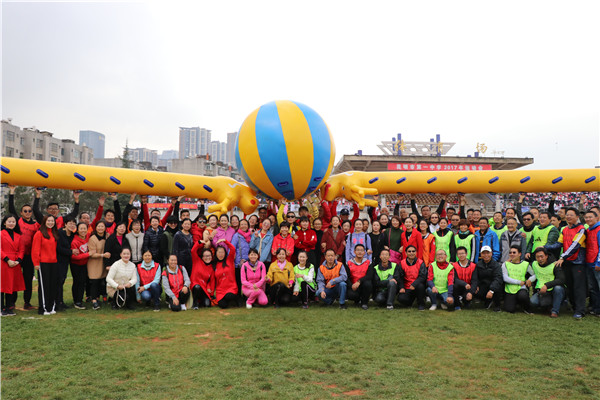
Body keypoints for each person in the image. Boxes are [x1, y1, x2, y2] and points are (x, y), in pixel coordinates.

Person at [547, 208, 587, 319]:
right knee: (569, 286)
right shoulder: (564, 229)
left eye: (571, 215)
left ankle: (580, 310)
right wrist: (545, 247)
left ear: (577, 217)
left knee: (578, 287)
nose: (568, 217)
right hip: (567, 262)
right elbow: (559, 244)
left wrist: (562, 257)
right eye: (567, 215)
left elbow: (575, 246)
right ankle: (574, 307)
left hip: (578, 262)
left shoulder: (581, 229)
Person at [7, 185, 40, 310]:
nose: (27, 213)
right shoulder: (18, 221)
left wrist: (37, 196)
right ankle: (12, 303)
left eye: (29, 211)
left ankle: (27, 302)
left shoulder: (36, 225)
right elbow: (11, 208)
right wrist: (12, 192)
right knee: (14, 279)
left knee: (28, 280)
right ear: (21, 213)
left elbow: (37, 211)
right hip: (17, 255)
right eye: (25, 211)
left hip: (29, 256)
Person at [31, 215, 59, 315]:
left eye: (52, 221)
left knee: (53, 286)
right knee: (44, 287)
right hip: (43, 263)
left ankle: (51, 307)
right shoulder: (39, 234)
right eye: (48, 221)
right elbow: (35, 250)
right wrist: (36, 263)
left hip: (54, 263)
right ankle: (43, 309)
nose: (50, 222)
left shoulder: (54, 233)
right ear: (44, 222)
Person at [529, 247, 566, 317]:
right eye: (537, 257)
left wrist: (547, 285)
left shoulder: (555, 264)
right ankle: (547, 306)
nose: (540, 259)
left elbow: (561, 279)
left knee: (558, 288)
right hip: (540, 291)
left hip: (553, 290)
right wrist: (529, 280)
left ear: (546, 256)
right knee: (533, 302)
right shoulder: (534, 264)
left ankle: (555, 311)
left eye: (542, 256)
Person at [1, 215, 25, 316]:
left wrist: (18, 260)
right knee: (2, 286)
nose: (11, 223)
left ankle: (9, 307)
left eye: (13, 222)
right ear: (4, 223)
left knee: (11, 286)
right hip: (3, 263)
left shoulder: (18, 236)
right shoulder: (1, 234)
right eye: (9, 221)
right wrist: (7, 259)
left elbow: (22, 250)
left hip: (15, 264)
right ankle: (1, 308)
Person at [501, 245, 532, 314]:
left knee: (523, 296)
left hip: (521, 288)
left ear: (520, 254)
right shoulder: (505, 264)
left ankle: (526, 308)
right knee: (509, 309)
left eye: (514, 252)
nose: (512, 254)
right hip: (510, 289)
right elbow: (505, 278)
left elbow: (534, 274)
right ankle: (516, 303)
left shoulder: (525, 264)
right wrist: (518, 282)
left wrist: (530, 280)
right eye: (510, 252)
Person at [55, 217, 77, 311]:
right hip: (58, 261)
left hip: (66, 261)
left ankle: (60, 301)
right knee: (58, 282)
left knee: (62, 281)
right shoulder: (60, 233)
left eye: (74, 223)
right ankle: (57, 303)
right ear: (65, 224)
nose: (72, 225)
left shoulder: (72, 234)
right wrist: (71, 252)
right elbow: (58, 248)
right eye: (70, 223)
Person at [397, 245, 427, 310]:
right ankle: (410, 302)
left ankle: (421, 304)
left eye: (413, 251)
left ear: (416, 252)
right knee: (401, 298)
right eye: (409, 251)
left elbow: (422, 276)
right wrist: (402, 287)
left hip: (417, 286)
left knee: (420, 286)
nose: (411, 253)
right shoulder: (402, 263)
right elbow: (400, 277)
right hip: (407, 287)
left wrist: (414, 284)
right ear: (406, 253)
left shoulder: (421, 262)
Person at [87, 221, 110, 310]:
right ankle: (94, 301)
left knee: (102, 281)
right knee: (94, 282)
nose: (100, 228)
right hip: (94, 263)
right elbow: (91, 254)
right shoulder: (92, 238)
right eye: (99, 226)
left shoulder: (107, 236)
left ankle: (100, 298)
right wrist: (102, 255)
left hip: (104, 263)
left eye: (102, 226)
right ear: (96, 228)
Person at [473, 246, 503, 311]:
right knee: (476, 292)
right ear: (481, 254)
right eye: (483, 253)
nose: (486, 255)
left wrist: (491, 290)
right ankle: (488, 301)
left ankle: (497, 305)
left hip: (494, 286)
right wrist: (476, 286)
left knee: (497, 288)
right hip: (484, 285)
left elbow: (498, 278)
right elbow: (475, 277)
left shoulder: (496, 265)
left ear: (491, 253)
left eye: (488, 253)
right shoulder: (478, 264)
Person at [345, 244, 373, 310]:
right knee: (351, 295)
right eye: (358, 250)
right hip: (353, 286)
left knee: (368, 283)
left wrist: (359, 281)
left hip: (363, 285)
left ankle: (364, 303)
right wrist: (351, 285)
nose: (359, 252)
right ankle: (357, 300)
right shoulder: (349, 263)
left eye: (361, 250)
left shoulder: (368, 263)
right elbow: (346, 277)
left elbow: (369, 276)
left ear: (364, 252)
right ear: (354, 252)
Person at [213, 239, 239, 308]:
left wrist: (225, 241)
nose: (220, 254)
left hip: (231, 287)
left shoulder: (229, 260)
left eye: (222, 252)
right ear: (216, 253)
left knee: (229, 296)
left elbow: (233, 249)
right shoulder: (215, 264)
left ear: (225, 253)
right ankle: (230, 302)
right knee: (222, 305)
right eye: (219, 252)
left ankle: (234, 300)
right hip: (220, 290)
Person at [70, 222, 90, 309]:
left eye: (84, 228)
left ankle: (80, 300)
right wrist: (88, 254)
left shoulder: (88, 236)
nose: (83, 230)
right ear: (77, 230)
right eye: (81, 228)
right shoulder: (74, 241)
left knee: (82, 282)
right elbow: (74, 257)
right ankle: (76, 301)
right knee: (77, 282)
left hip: (85, 264)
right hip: (76, 265)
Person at [584, 210, 600, 316]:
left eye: (590, 217)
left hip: (596, 264)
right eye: (586, 217)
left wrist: (599, 262)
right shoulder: (588, 230)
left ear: (596, 218)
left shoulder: (599, 229)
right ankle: (596, 308)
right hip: (589, 263)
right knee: (593, 288)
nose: (588, 219)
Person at [190, 243, 216, 309]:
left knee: (207, 304)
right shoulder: (197, 261)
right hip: (195, 286)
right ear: (202, 257)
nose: (208, 258)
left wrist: (211, 292)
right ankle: (195, 304)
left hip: (204, 289)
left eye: (209, 256)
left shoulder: (211, 268)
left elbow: (212, 281)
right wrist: (199, 242)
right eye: (206, 256)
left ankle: (200, 301)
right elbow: (193, 251)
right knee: (197, 287)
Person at [231, 219, 252, 293]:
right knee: (238, 281)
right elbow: (232, 248)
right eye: (242, 224)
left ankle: (247, 295)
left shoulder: (250, 235)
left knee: (248, 280)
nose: (243, 226)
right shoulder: (236, 236)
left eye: (245, 224)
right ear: (239, 226)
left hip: (249, 262)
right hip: (239, 262)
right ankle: (238, 296)